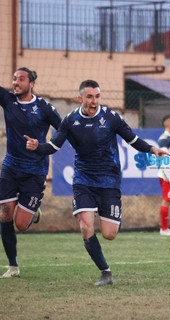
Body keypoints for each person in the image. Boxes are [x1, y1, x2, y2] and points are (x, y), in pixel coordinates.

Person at [25, 79, 169, 286]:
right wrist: (38, 146)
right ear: (80, 98)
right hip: (83, 179)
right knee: (85, 226)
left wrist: (152, 149)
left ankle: (110, 218)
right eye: (90, 97)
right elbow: (54, 147)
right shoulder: (70, 120)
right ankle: (105, 272)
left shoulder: (111, 117)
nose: (94, 101)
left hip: (109, 180)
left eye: (97, 96)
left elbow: (132, 139)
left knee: (109, 234)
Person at [0, 67, 63, 278]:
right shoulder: (8, 100)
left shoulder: (44, 107)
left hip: (35, 171)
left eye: (21, 79)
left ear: (31, 83)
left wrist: (43, 146)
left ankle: (33, 210)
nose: (16, 82)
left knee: (21, 224)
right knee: (4, 215)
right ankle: (13, 267)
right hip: (10, 167)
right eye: (14, 79)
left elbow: (63, 131)